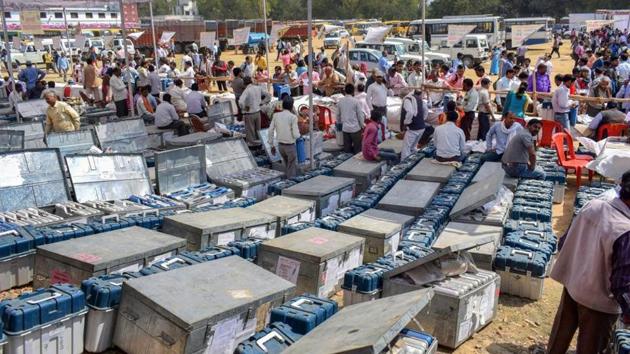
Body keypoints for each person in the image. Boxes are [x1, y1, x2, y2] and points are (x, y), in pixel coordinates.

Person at [546, 170, 630, 354]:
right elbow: (622, 285)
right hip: (598, 303)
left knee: (559, 339)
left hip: (572, 286)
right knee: (590, 348)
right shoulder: (625, 230)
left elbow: (564, 242)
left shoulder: (593, 205)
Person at [268, 96, 300, 178]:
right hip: (290, 146)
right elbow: (296, 134)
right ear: (292, 106)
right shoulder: (293, 117)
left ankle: (286, 181)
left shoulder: (276, 115)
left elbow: (270, 130)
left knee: (286, 165)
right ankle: (290, 184)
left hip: (280, 146)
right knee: (291, 167)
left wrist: (271, 145)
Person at [239, 77, 270, 145]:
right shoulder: (258, 88)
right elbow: (268, 95)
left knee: (251, 133)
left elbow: (240, 102)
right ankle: (260, 144)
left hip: (249, 114)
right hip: (258, 112)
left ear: (244, 84)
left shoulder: (247, 90)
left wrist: (244, 108)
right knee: (258, 131)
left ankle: (254, 146)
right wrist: (262, 102)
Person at [336, 84, 365, 154]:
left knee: (347, 151)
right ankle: (357, 164)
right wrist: (362, 126)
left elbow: (338, 115)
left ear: (345, 91)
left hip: (345, 129)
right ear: (353, 92)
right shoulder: (356, 101)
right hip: (355, 129)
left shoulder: (340, 101)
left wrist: (339, 124)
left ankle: (348, 164)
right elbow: (360, 115)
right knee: (357, 150)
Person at [400, 88, 428, 160]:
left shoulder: (407, 99)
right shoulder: (418, 98)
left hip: (413, 128)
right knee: (413, 147)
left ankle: (403, 166)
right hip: (421, 127)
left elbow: (410, 112)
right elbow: (426, 110)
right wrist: (422, 119)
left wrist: (406, 124)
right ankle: (414, 162)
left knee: (406, 149)